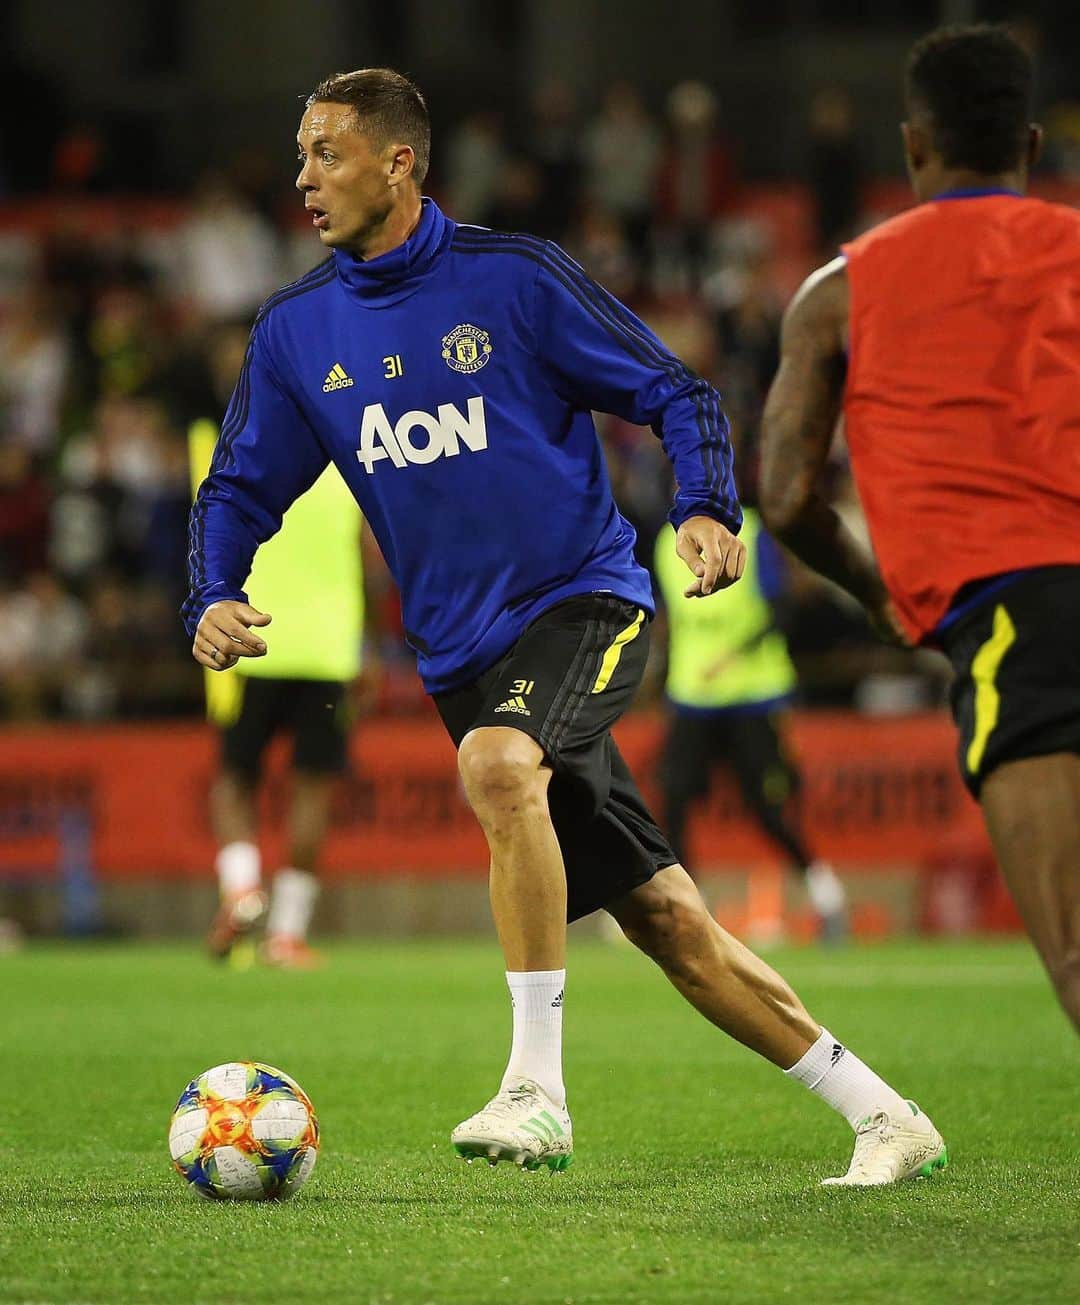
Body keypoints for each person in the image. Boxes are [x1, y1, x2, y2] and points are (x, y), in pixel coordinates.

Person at [184, 68, 944, 1185]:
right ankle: (885, 1114)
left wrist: (699, 508)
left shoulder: (516, 281)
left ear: (401, 162)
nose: (301, 179)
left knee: (499, 768)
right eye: (300, 155)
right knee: (667, 921)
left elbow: (675, 392)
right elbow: (238, 488)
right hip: (461, 653)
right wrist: (209, 591)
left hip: (584, 600)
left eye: (326, 154)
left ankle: (536, 1091)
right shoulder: (301, 332)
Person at [759, 24, 1080, 1031]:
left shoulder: (839, 293)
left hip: (1020, 623)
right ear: (1031, 148)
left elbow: (784, 496)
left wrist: (875, 594)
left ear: (912, 145)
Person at [189, 415, 367, 970]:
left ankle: (242, 889)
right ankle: (287, 934)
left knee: (235, 779)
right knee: (311, 790)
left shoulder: (244, 465)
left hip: (249, 640)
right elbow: (373, 558)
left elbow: (208, 539)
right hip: (330, 649)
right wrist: (372, 645)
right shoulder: (349, 464)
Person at [653, 509, 847, 940]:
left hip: (754, 695)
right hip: (692, 695)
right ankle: (687, 909)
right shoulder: (664, 543)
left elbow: (781, 610)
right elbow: (667, 616)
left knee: (768, 808)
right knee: (674, 799)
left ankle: (826, 896)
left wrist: (736, 655)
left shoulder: (753, 532)